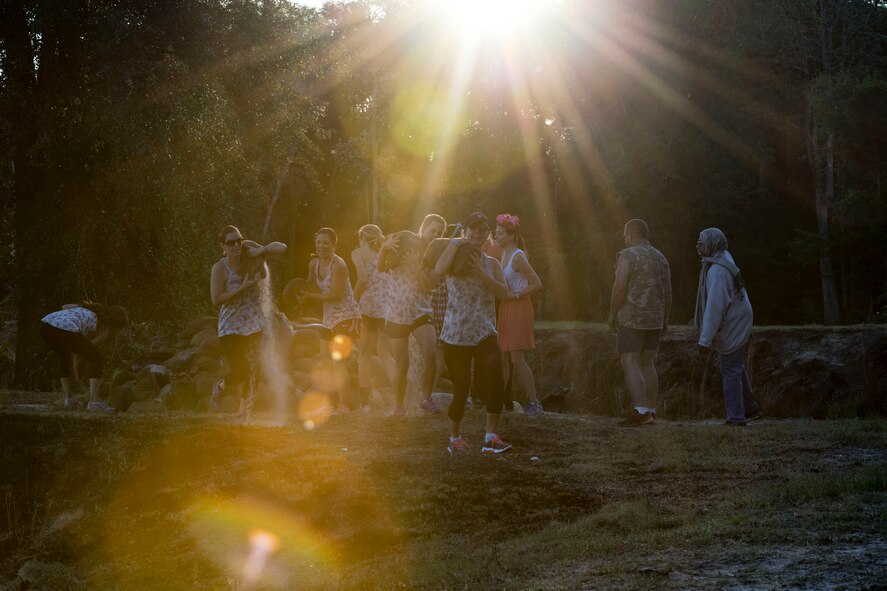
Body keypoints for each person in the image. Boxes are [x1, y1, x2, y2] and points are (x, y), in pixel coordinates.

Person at [435, 212, 513, 454]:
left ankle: (491, 437)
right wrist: (455, 243)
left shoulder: (492, 264)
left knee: (496, 380)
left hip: (484, 331)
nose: (477, 233)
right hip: (456, 332)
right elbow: (439, 270)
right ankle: (454, 439)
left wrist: (480, 272)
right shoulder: (454, 254)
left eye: (482, 229)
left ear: (488, 234)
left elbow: (504, 294)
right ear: (465, 231)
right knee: (461, 389)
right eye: (472, 229)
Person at [210, 225, 287, 414]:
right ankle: (219, 388)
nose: (237, 245)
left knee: (255, 367)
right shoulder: (220, 267)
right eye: (231, 242)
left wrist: (262, 250)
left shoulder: (250, 256)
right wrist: (243, 288)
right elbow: (216, 299)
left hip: (254, 323)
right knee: (240, 369)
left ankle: (244, 410)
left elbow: (282, 247)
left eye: (239, 240)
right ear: (223, 246)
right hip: (230, 325)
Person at [378, 214, 446, 416]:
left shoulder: (436, 255)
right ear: (423, 229)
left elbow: (432, 285)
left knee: (431, 352)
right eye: (432, 230)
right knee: (402, 364)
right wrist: (385, 248)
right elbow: (381, 267)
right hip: (397, 312)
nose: (435, 235)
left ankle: (427, 398)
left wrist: (419, 269)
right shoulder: (405, 243)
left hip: (420, 310)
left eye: (439, 233)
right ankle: (398, 407)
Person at [694, 228, 761, 426]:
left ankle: (736, 417)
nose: (697, 246)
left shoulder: (717, 272)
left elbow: (715, 308)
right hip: (739, 316)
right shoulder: (722, 258)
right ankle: (750, 408)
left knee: (729, 368)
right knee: (735, 364)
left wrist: (704, 340)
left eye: (701, 242)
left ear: (712, 245)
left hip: (734, 321)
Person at [607, 219, 671, 426]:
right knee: (648, 363)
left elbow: (619, 288)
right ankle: (651, 410)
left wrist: (611, 314)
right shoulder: (661, 257)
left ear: (632, 235)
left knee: (630, 361)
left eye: (625, 235)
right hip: (655, 319)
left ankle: (640, 410)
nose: (624, 239)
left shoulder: (627, 255)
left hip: (632, 318)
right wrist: (665, 318)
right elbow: (668, 291)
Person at [302, 227, 361, 412]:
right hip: (329, 317)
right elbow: (309, 284)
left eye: (326, 242)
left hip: (347, 316)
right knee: (325, 361)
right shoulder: (314, 264)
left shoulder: (339, 265)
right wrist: (299, 294)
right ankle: (327, 404)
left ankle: (343, 405)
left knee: (338, 362)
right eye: (318, 242)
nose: (321, 246)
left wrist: (311, 296)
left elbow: (335, 294)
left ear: (334, 245)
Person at [493, 213, 543, 416]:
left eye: (500, 234)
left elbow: (537, 283)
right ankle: (498, 397)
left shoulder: (518, 256)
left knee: (516, 358)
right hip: (505, 307)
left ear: (512, 235)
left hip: (518, 306)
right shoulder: (502, 255)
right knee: (502, 356)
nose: (497, 237)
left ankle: (534, 402)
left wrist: (516, 294)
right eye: (496, 233)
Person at [40, 302, 129, 412]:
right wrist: (77, 376)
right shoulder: (104, 330)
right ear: (115, 325)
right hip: (66, 327)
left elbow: (64, 307)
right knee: (97, 358)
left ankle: (69, 399)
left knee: (64, 357)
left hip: (45, 325)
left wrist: (75, 313)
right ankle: (94, 401)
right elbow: (81, 354)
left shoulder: (86, 310)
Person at [351, 224, 394, 411]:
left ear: (362, 238)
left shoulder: (358, 253)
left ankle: (365, 403)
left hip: (368, 307)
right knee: (385, 353)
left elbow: (362, 279)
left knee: (364, 354)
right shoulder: (386, 252)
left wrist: (352, 300)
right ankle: (401, 396)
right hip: (387, 307)